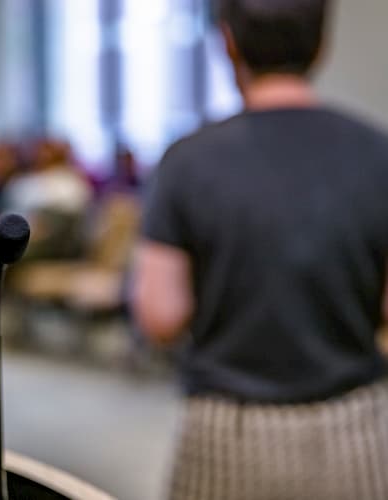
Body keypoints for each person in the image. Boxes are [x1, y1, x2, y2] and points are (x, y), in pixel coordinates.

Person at [134, 1, 388, 499]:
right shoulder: (376, 153)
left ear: (228, 42)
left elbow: (159, 315)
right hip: (354, 431)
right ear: (322, 44)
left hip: (229, 434)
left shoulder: (188, 162)